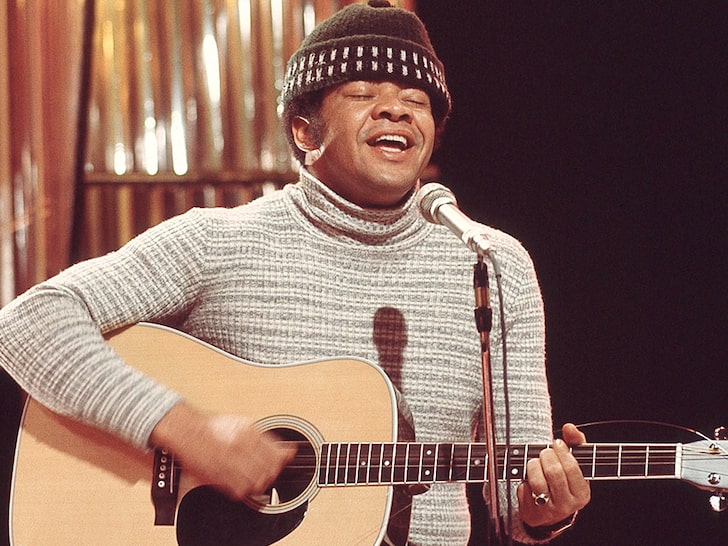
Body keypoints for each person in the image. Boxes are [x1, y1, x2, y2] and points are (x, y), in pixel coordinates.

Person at [0, 1, 590, 544]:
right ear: (305, 131)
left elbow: (516, 503)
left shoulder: (492, 262)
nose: (396, 109)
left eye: (417, 100)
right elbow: (27, 324)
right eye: (363, 92)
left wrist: (544, 509)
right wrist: (184, 430)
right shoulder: (218, 241)